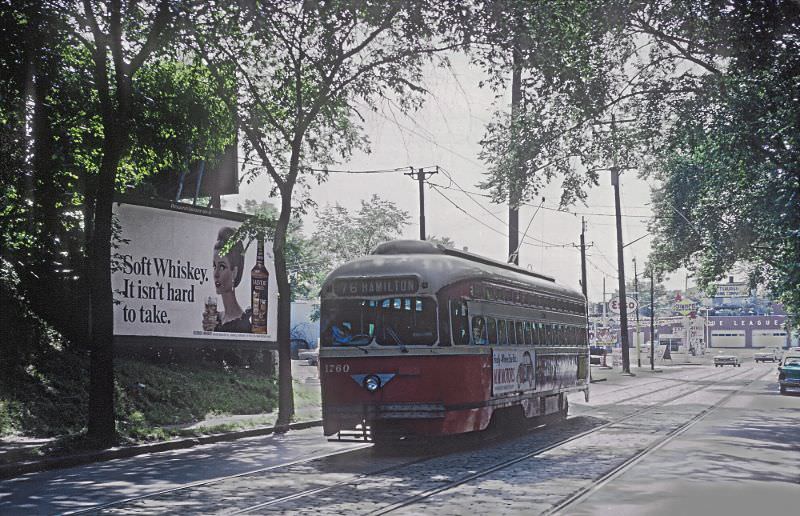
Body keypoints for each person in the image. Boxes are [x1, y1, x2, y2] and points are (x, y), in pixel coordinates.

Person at [203, 227, 251, 333]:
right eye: (214, 266)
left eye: (222, 267)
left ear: (234, 272)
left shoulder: (242, 323)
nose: (216, 274)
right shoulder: (217, 318)